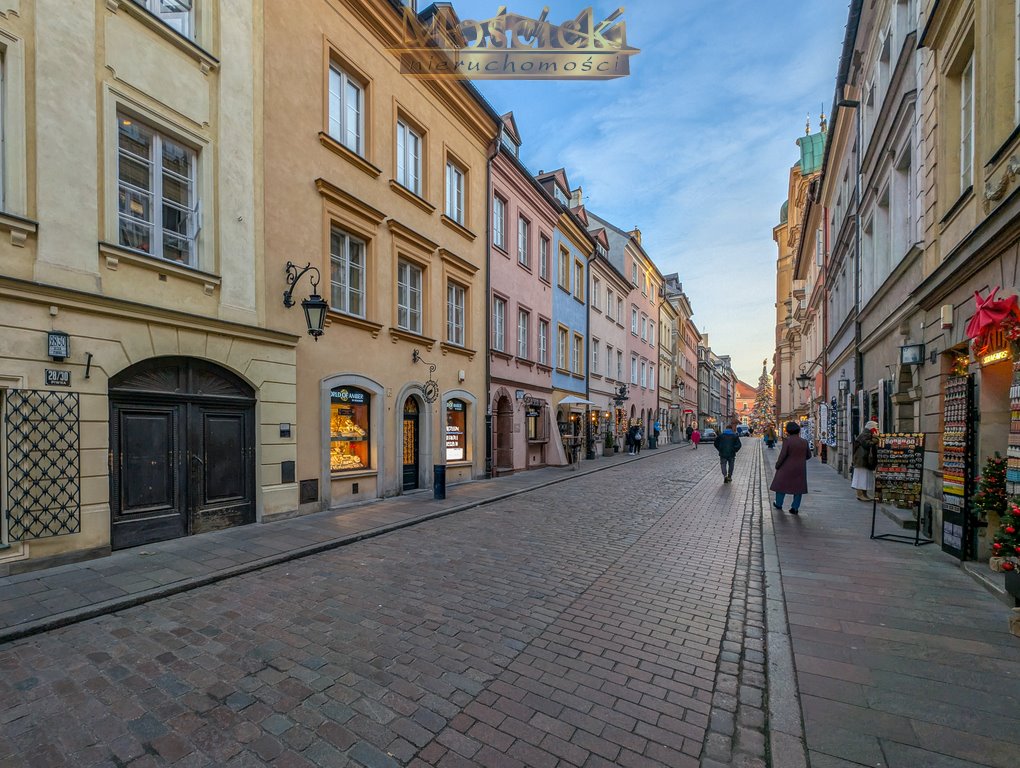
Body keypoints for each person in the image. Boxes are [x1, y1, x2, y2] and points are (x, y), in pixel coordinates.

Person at [770, 421, 810, 514]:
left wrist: (778, 465)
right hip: (800, 468)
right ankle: (795, 508)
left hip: (786, 468)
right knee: (798, 488)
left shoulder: (787, 441)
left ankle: (779, 504)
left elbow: (783, 455)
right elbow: (809, 455)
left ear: (788, 431)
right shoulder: (804, 441)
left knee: (780, 486)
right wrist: (800, 459)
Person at [851, 420, 880, 501]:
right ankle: (859, 494)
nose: (877, 429)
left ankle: (864, 494)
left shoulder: (868, 435)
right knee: (861, 477)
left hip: (866, 460)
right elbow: (867, 444)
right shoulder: (864, 435)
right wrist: (875, 438)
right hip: (861, 460)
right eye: (875, 427)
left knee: (866, 478)